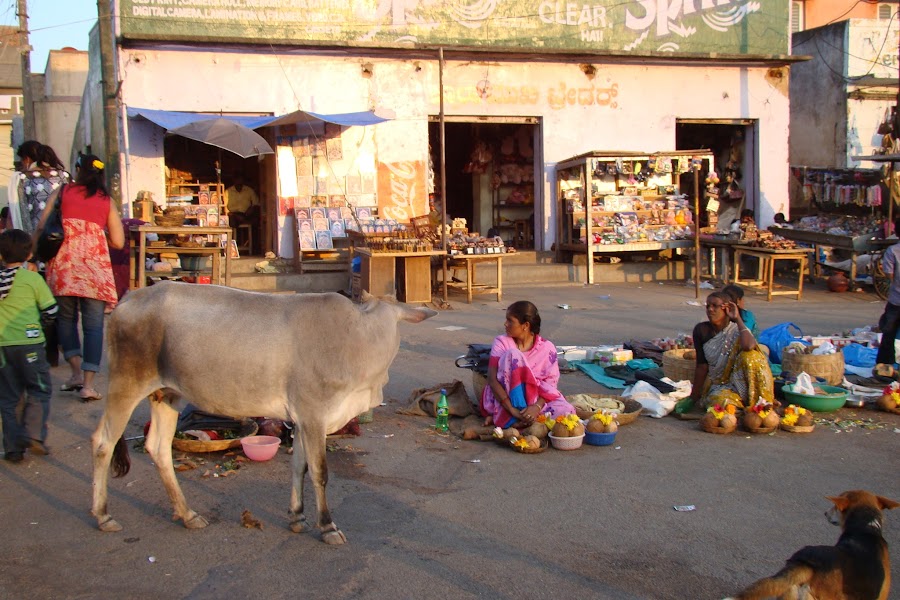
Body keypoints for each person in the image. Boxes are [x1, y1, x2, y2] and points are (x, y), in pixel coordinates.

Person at [33, 154, 125, 402]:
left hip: (63, 268)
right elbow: (118, 241)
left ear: (77, 170)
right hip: (94, 271)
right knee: (94, 327)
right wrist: (95, 233)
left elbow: (42, 226)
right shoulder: (106, 201)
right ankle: (88, 384)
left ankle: (74, 373)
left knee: (65, 320)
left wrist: (32, 256)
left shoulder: (63, 192)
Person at [0, 229, 58, 462]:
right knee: (39, 388)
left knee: (9, 397)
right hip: (31, 345)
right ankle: (33, 435)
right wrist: (43, 325)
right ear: (29, 253)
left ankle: (13, 448)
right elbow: (51, 310)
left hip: (3, 347)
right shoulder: (32, 279)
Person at [480, 300, 576, 428]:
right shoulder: (502, 342)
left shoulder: (547, 348)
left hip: (535, 401)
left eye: (510, 321)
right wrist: (512, 409)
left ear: (525, 325)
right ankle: (516, 416)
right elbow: (492, 379)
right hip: (505, 399)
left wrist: (536, 407)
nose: (505, 324)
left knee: (567, 410)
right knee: (513, 355)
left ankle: (520, 419)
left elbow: (550, 386)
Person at [684, 291, 774, 411]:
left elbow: (749, 346)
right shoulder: (701, 330)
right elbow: (702, 365)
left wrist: (737, 319)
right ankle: (742, 409)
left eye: (715, 306)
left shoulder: (737, 331)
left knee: (752, 357)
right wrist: (693, 398)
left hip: (743, 383)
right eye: (708, 306)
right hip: (720, 385)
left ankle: (761, 403)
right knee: (720, 402)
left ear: (727, 309)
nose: (710, 310)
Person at [12, 141, 70, 234]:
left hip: (36, 236)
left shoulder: (24, 179)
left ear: (27, 159)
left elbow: (23, 213)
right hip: (62, 234)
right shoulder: (65, 176)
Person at [875, 218, 900, 373]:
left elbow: (889, 274)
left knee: (889, 333)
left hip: (896, 300)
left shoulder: (893, 251)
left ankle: (883, 367)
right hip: (896, 300)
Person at [226, 174, 260, 252]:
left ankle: (251, 247)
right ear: (234, 180)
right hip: (232, 214)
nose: (239, 181)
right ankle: (234, 245)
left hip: (246, 214)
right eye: (237, 179)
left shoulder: (249, 190)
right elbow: (225, 206)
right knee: (232, 220)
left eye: (240, 179)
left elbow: (256, 203)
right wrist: (229, 213)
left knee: (254, 221)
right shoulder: (228, 191)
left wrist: (251, 208)